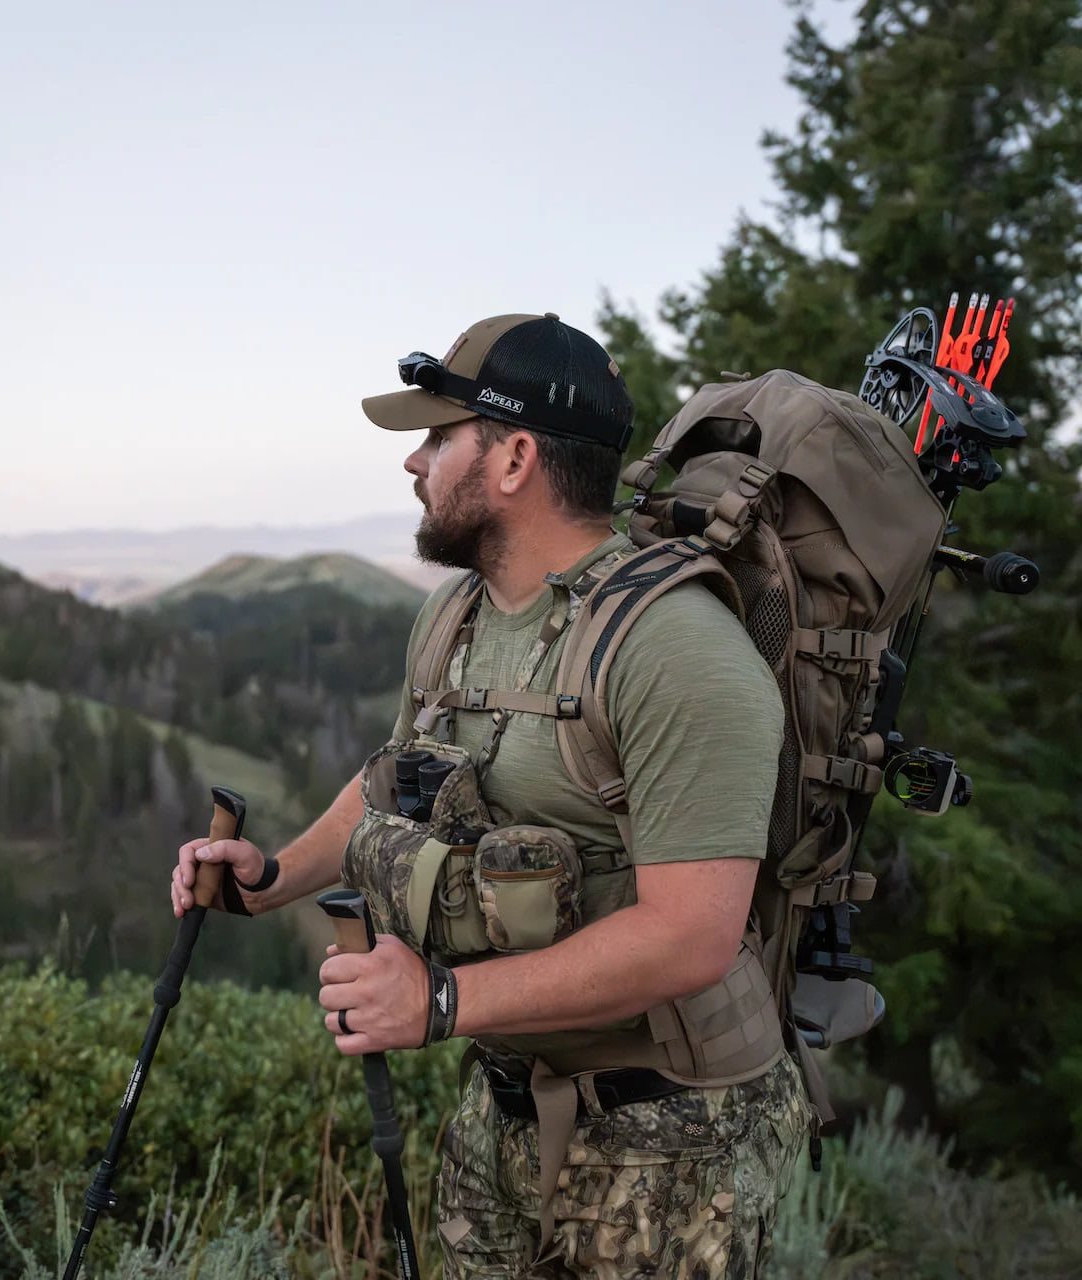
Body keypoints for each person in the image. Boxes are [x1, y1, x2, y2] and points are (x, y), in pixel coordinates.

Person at [171, 312, 811, 1278]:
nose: (413, 462)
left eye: (439, 437)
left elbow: (692, 935)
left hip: (676, 1132)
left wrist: (440, 999)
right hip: (505, 1098)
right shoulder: (455, 615)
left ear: (515, 459)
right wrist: (269, 879)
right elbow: (395, 775)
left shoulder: (674, 646)